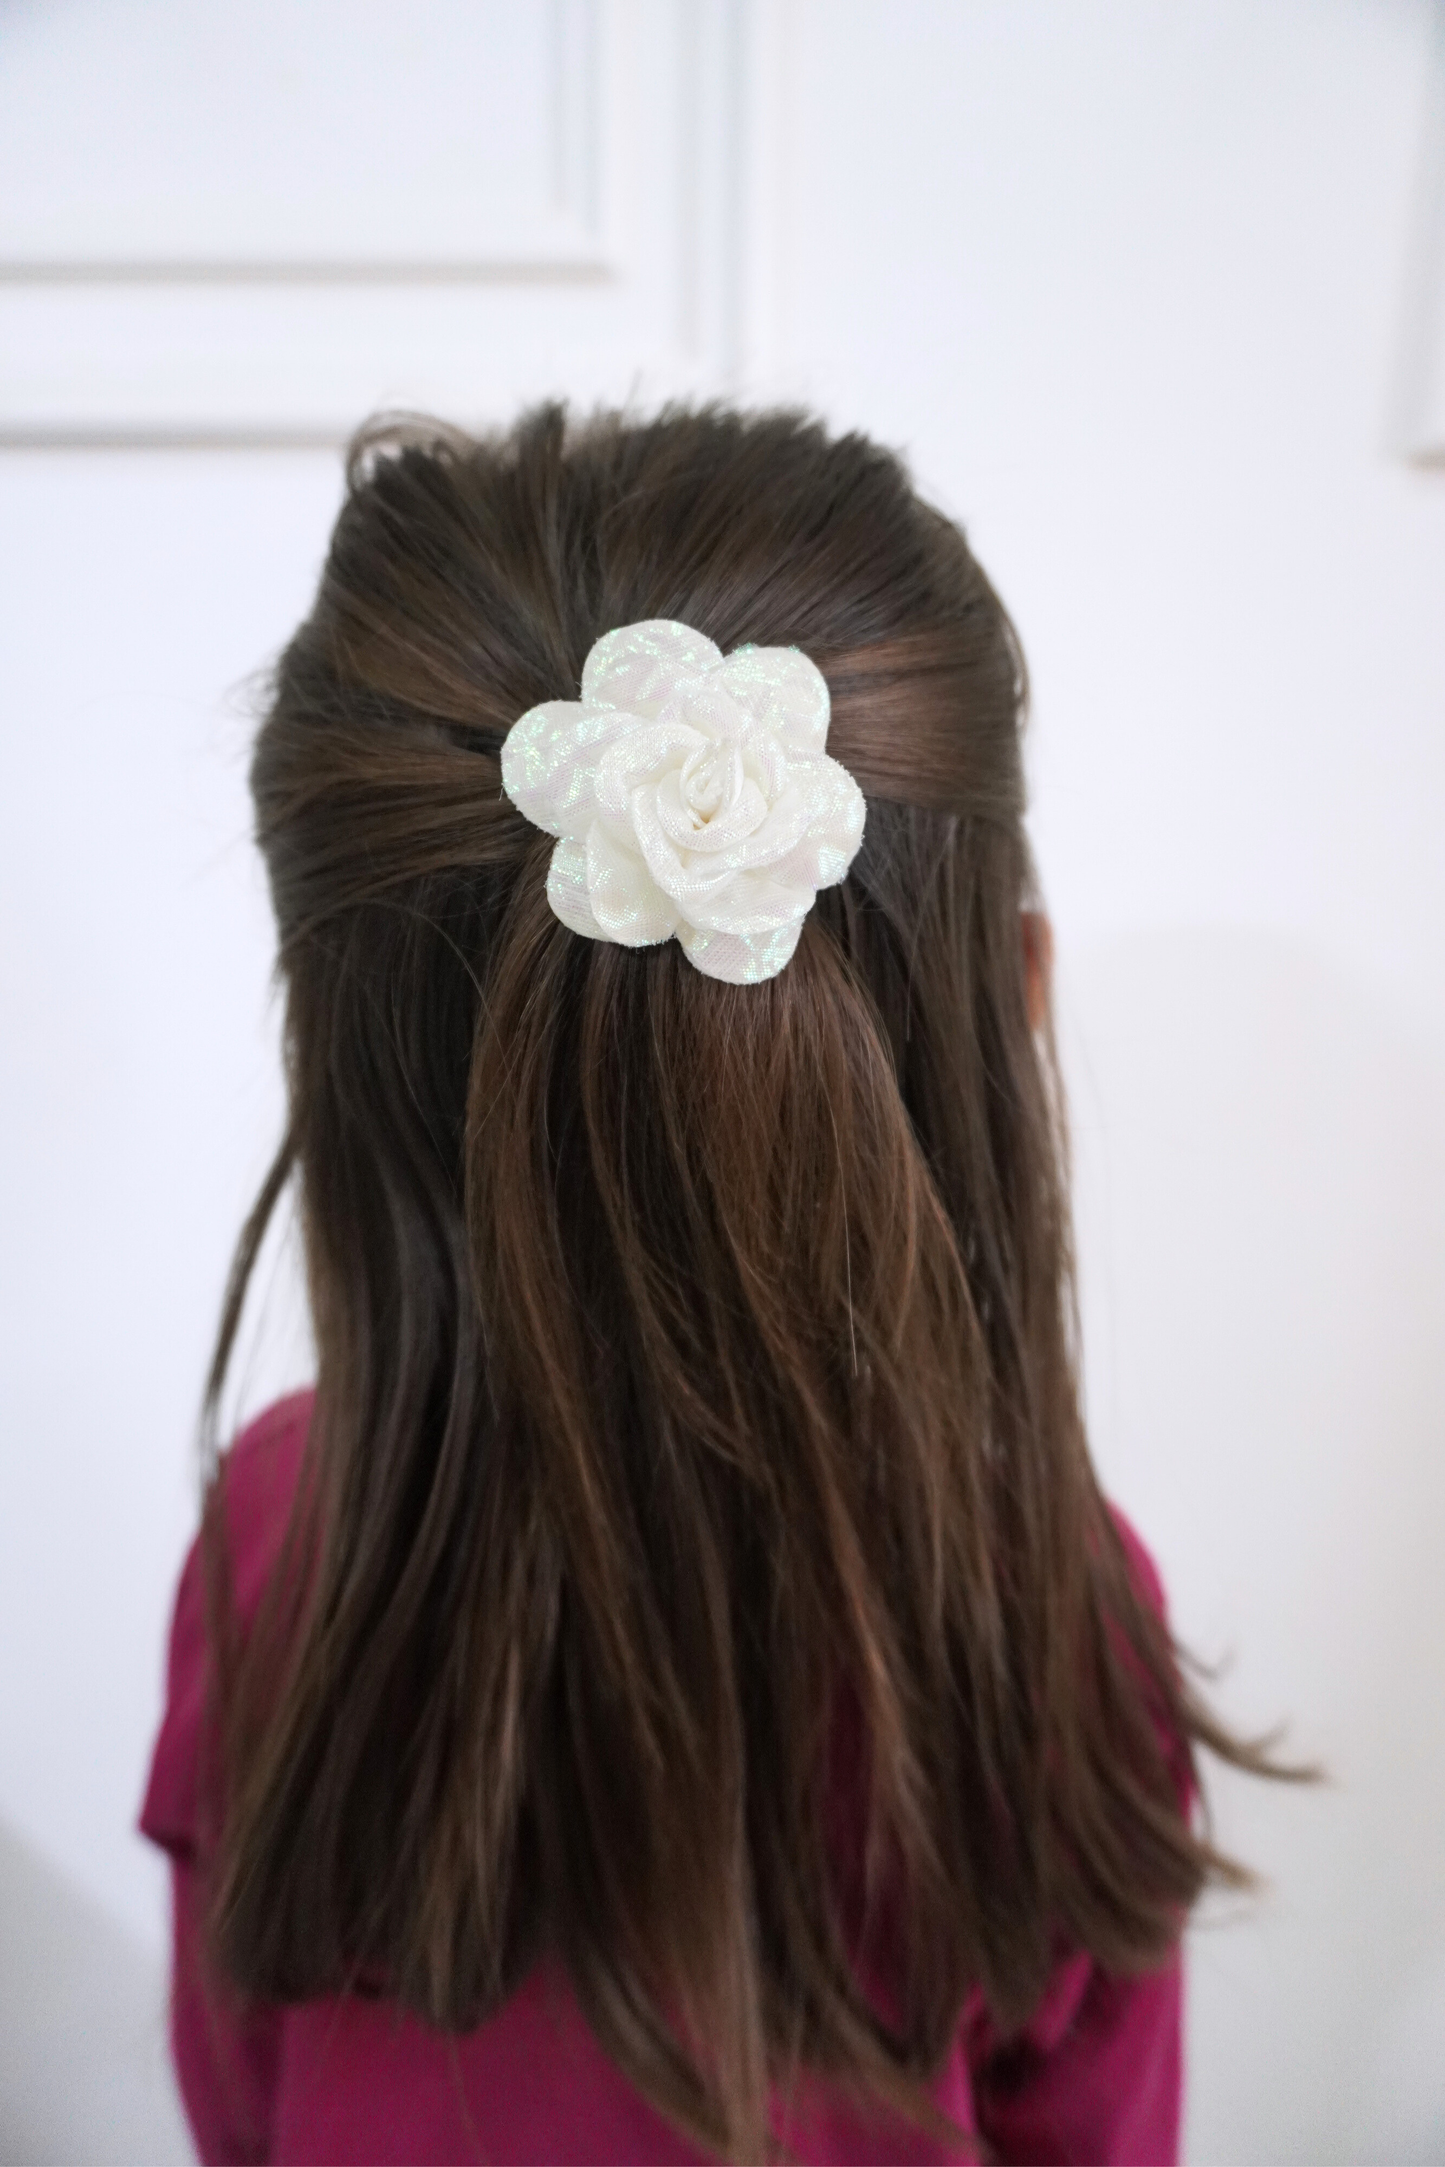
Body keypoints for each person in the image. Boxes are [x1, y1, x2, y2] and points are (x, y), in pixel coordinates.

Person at [139, 403, 1275, 2165]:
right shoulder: (1050, 1620)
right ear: (1019, 998)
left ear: (330, 1047)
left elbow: (240, 2117)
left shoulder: (279, 1533)